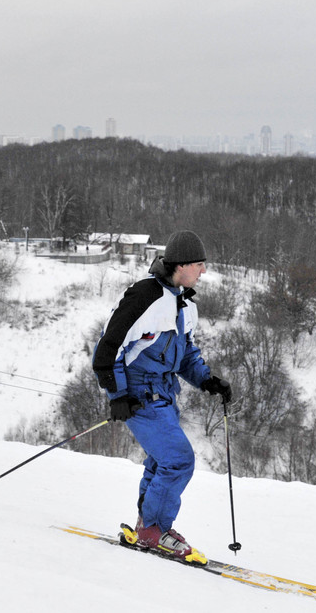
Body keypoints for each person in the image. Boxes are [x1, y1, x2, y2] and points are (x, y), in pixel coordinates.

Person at [92, 230, 231, 563]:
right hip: (139, 396)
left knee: (161, 461)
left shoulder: (183, 303)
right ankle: (154, 530)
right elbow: (107, 349)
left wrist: (208, 380)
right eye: (199, 264)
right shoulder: (145, 297)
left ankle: (147, 525)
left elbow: (183, 354)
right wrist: (118, 395)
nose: (203, 271)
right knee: (178, 461)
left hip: (163, 395)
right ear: (180, 265)